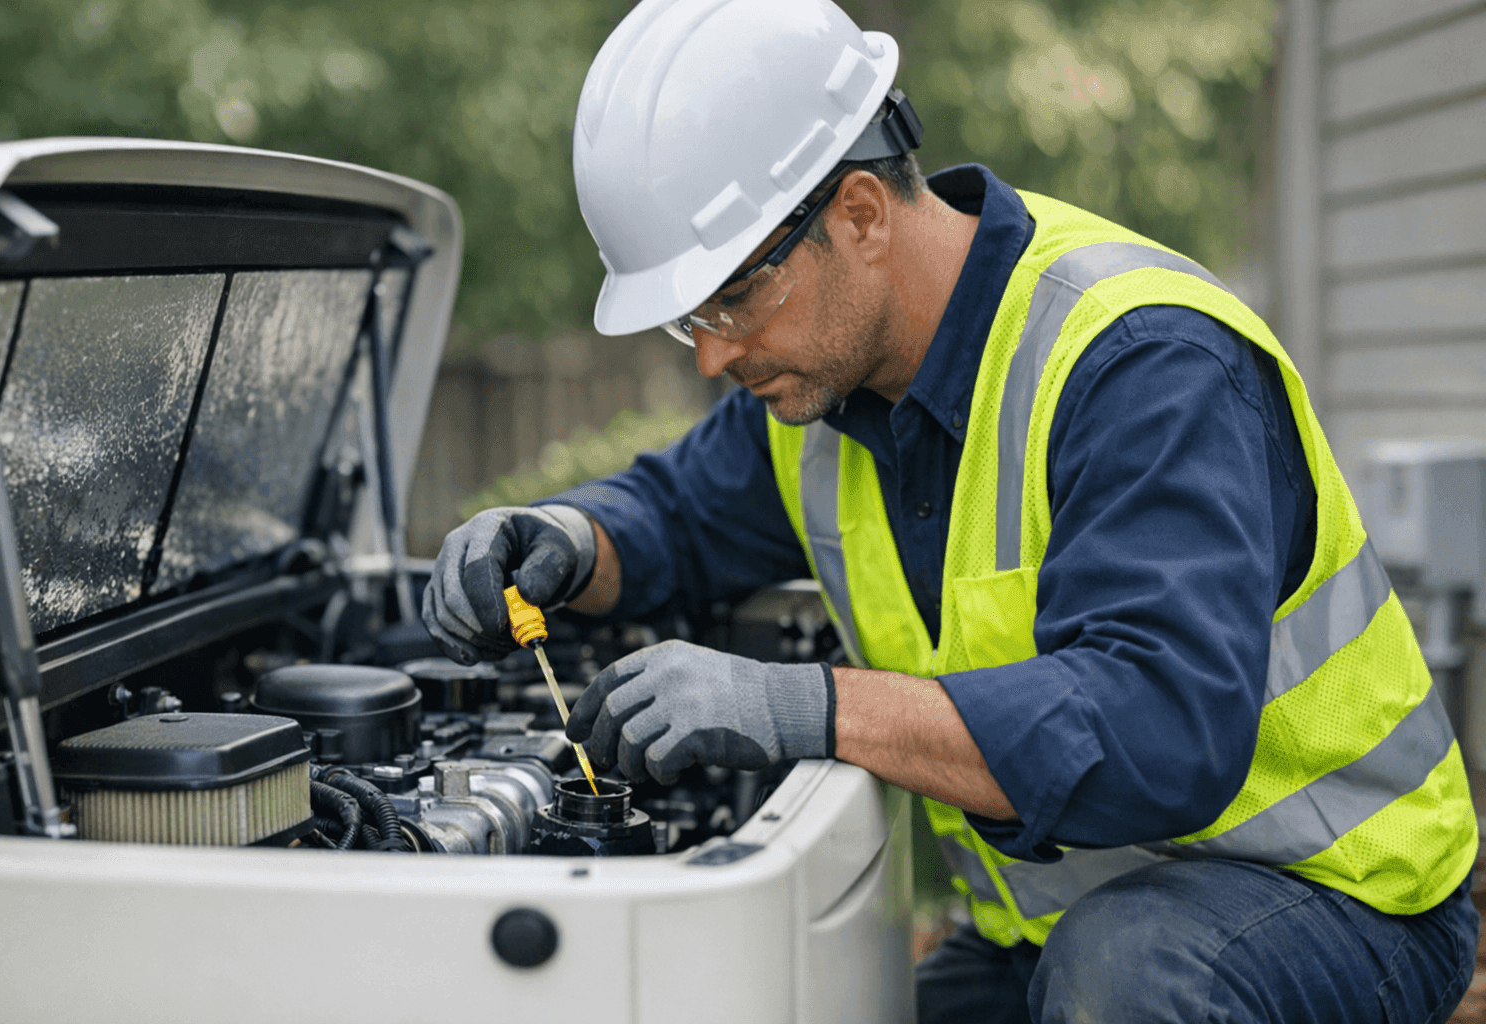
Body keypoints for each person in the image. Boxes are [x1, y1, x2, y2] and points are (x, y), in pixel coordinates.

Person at [423, 1, 1480, 1020]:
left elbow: (1161, 732)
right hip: (1066, 916)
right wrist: (561, 538)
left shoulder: (1143, 365)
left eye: (734, 299)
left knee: (1128, 970)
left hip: (1337, 894)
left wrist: (811, 706)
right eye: (690, 319)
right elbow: (676, 513)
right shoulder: (825, 396)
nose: (712, 352)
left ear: (862, 215)